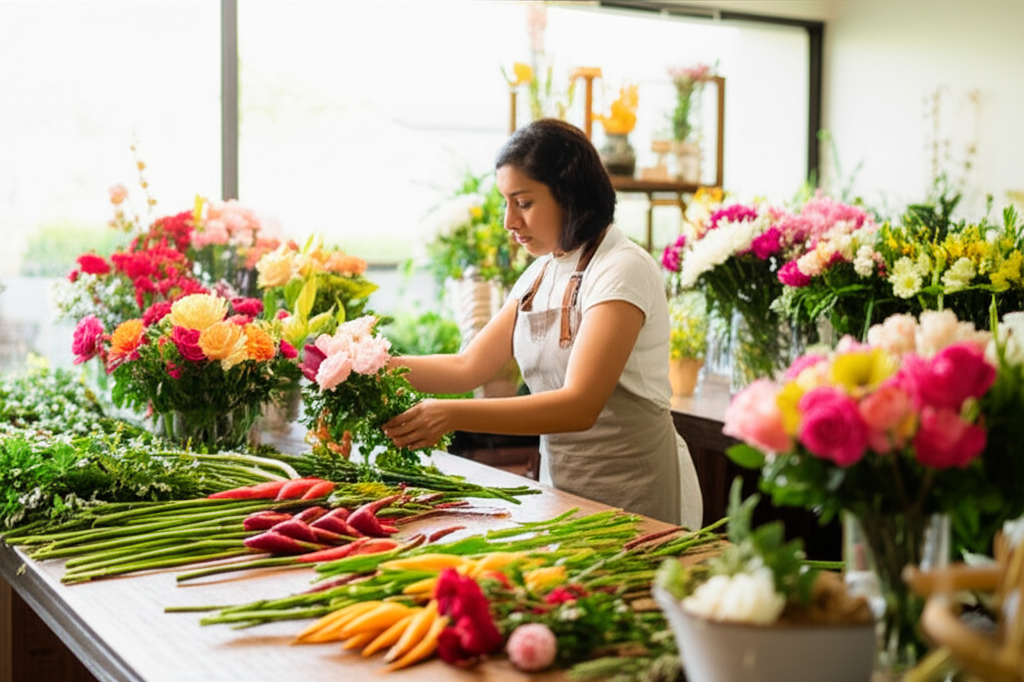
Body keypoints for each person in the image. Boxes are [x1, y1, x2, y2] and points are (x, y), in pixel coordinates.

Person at [383, 118, 702, 528]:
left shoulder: (621, 268)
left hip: (634, 491)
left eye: (524, 202)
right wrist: (370, 365)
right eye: (506, 202)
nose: (509, 222)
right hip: (566, 489)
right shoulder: (540, 274)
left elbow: (579, 405)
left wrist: (452, 415)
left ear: (569, 194)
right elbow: (469, 367)